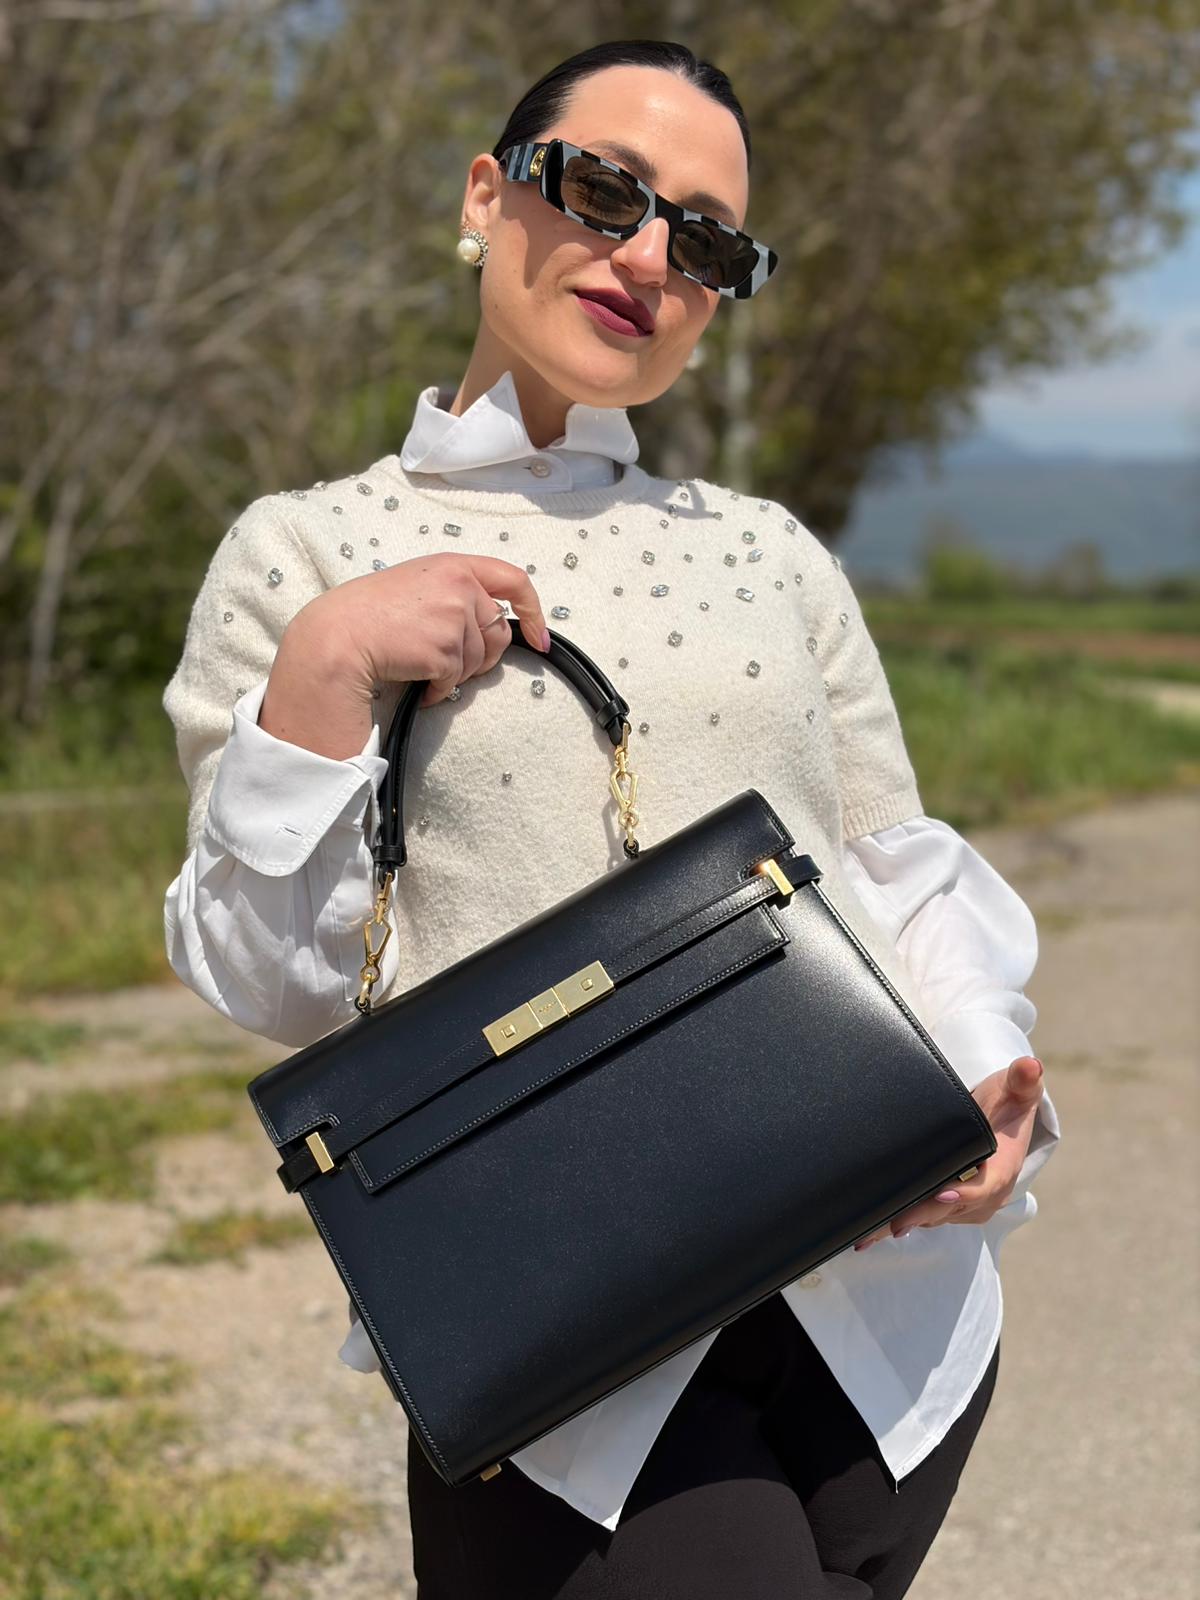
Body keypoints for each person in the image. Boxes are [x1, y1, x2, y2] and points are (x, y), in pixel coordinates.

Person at [162, 38, 1061, 1600]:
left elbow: (885, 860)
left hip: (883, 1316)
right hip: (570, 1349)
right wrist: (323, 667)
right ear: (486, 194)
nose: (649, 258)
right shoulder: (308, 550)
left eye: (706, 242)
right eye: (605, 191)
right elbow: (272, 985)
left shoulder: (769, 550)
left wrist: (989, 1072)